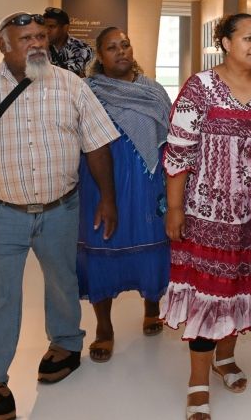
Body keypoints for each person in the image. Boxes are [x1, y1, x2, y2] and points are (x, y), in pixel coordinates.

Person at [0, 11, 119, 420]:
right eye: (25, 39)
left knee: (63, 281)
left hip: (62, 208)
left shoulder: (71, 85)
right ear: (4, 44)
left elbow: (97, 145)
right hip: (0, 213)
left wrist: (107, 199)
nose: (37, 44)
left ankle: (65, 343)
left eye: (41, 36)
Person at [163, 13, 251, 420]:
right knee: (211, 291)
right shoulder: (200, 88)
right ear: (224, 42)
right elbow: (179, 152)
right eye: (247, 38)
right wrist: (175, 208)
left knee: (244, 286)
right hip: (210, 214)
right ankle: (198, 382)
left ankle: (226, 360)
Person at [79, 27, 172, 363]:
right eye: (111, 48)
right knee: (102, 245)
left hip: (148, 182)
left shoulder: (154, 91)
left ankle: (152, 307)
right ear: (99, 56)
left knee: (152, 243)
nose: (121, 52)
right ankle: (104, 328)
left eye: (126, 45)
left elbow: (170, 139)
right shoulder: (88, 91)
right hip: (101, 184)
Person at [43, 7, 93, 77]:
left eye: (51, 26)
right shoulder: (38, 49)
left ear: (65, 28)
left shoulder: (83, 49)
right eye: (44, 27)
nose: (46, 31)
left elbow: (90, 79)